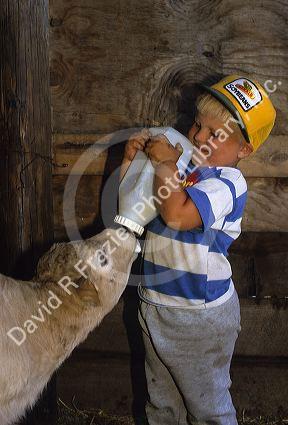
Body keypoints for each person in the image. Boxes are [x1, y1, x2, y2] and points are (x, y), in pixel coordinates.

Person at [119, 75, 276, 425]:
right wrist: (130, 164)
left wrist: (163, 164)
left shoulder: (227, 184)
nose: (199, 137)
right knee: (161, 405)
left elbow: (176, 215)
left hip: (198, 316)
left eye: (215, 134)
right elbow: (135, 206)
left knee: (207, 409)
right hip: (156, 303)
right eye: (198, 125)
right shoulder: (182, 165)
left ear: (244, 150)